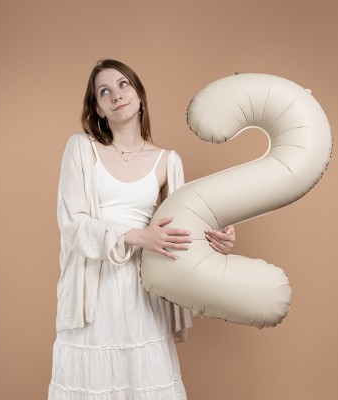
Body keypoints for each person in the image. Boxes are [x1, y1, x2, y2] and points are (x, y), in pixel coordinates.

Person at [48, 59, 235, 400]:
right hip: (92, 293)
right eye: (104, 91)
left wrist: (214, 237)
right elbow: (72, 224)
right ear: (98, 108)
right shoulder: (81, 148)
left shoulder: (167, 160)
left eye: (123, 85)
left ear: (139, 95)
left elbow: (182, 227)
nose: (116, 95)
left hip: (142, 294)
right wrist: (137, 235)